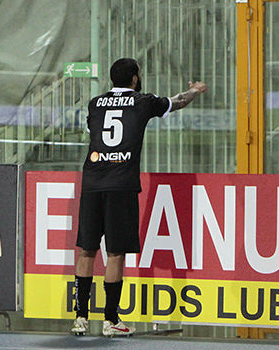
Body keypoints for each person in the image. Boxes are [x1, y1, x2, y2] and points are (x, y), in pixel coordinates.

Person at [71, 58, 207, 336]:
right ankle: (110, 320)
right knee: (115, 252)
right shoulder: (142, 101)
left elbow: (93, 133)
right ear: (134, 79)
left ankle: (80, 318)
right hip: (121, 183)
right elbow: (177, 102)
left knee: (87, 249)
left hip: (93, 182)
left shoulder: (95, 104)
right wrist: (195, 90)